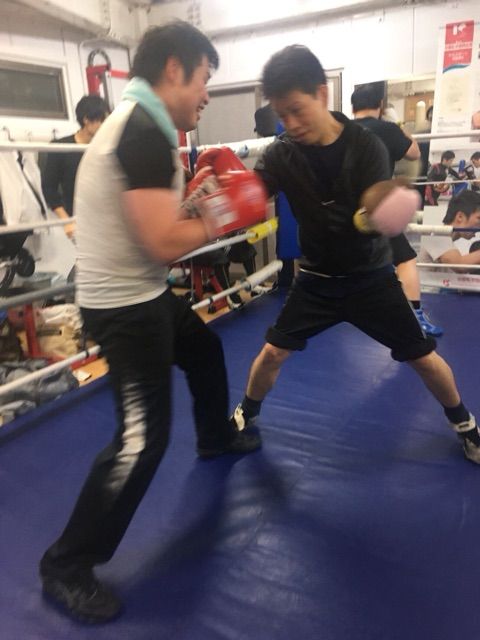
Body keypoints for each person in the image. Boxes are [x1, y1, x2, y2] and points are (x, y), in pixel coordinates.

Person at [39, 21, 264, 624]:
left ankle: (214, 436)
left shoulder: (148, 125)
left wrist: (193, 201)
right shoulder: (139, 130)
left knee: (204, 350)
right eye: (204, 79)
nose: (207, 95)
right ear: (174, 69)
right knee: (142, 440)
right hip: (124, 306)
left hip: (143, 292)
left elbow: (151, 222)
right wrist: (223, 213)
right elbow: (165, 243)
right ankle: (65, 564)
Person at [231, 45, 480, 476]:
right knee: (272, 352)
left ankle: (466, 426)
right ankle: (245, 415)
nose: (290, 124)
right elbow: (254, 194)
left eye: (297, 110)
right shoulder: (282, 152)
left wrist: (378, 216)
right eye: (282, 115)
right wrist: (223, 196)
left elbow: (371, 208)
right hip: (316, 281)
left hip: (369, 279)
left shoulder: (366, 147)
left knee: (422, 356)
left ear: (321, 93)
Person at [351, 83, 443, 337]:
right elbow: (414, 153)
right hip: (378, 208)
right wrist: (400, 129)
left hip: (345, 209)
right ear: (380, 105)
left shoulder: (344, 130)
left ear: (352, 106)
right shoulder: (387, 129)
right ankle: (415, 317)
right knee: (405, 259)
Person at [41, 95, 110, 238]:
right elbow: (49, 188)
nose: (105, 126)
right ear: (87, 120)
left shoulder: (105, 147)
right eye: (102, 120)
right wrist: (66, 221)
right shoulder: (61, 147)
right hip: (78, 219)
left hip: (106, 218)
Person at [418, 191, 480, 268]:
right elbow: (459, 264)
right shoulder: (436, 237)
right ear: (460, 217)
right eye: (479, 218)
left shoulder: (444, 239)